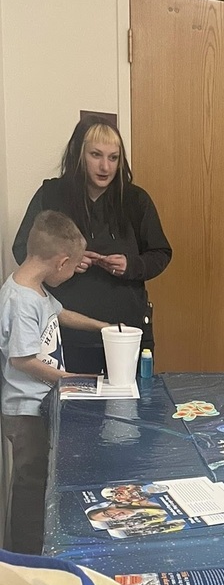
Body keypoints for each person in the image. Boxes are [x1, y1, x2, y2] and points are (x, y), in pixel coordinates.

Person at [12, 116, 172, 374]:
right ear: (78, 154)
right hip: (64, 332)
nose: (105, 167)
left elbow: (161, 253)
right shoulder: (51, 195)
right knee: (71, 411)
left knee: (130, 411)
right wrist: (65, 262)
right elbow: (23, 249)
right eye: (96, 155)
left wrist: (131, 265)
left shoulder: (136, 200)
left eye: (113, 158)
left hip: (124, 330)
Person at [1, 211, 112, 554]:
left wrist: (102, 326)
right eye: (73, 266)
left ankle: (33, 550)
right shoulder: (20, 300)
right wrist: (74, 380)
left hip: (40, 406)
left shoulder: (34, 289)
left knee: (40, 479)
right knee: (31, 484)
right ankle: (25, 557)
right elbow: (22, 359)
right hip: (25, 411)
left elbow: (59, 314)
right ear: (63, 263)